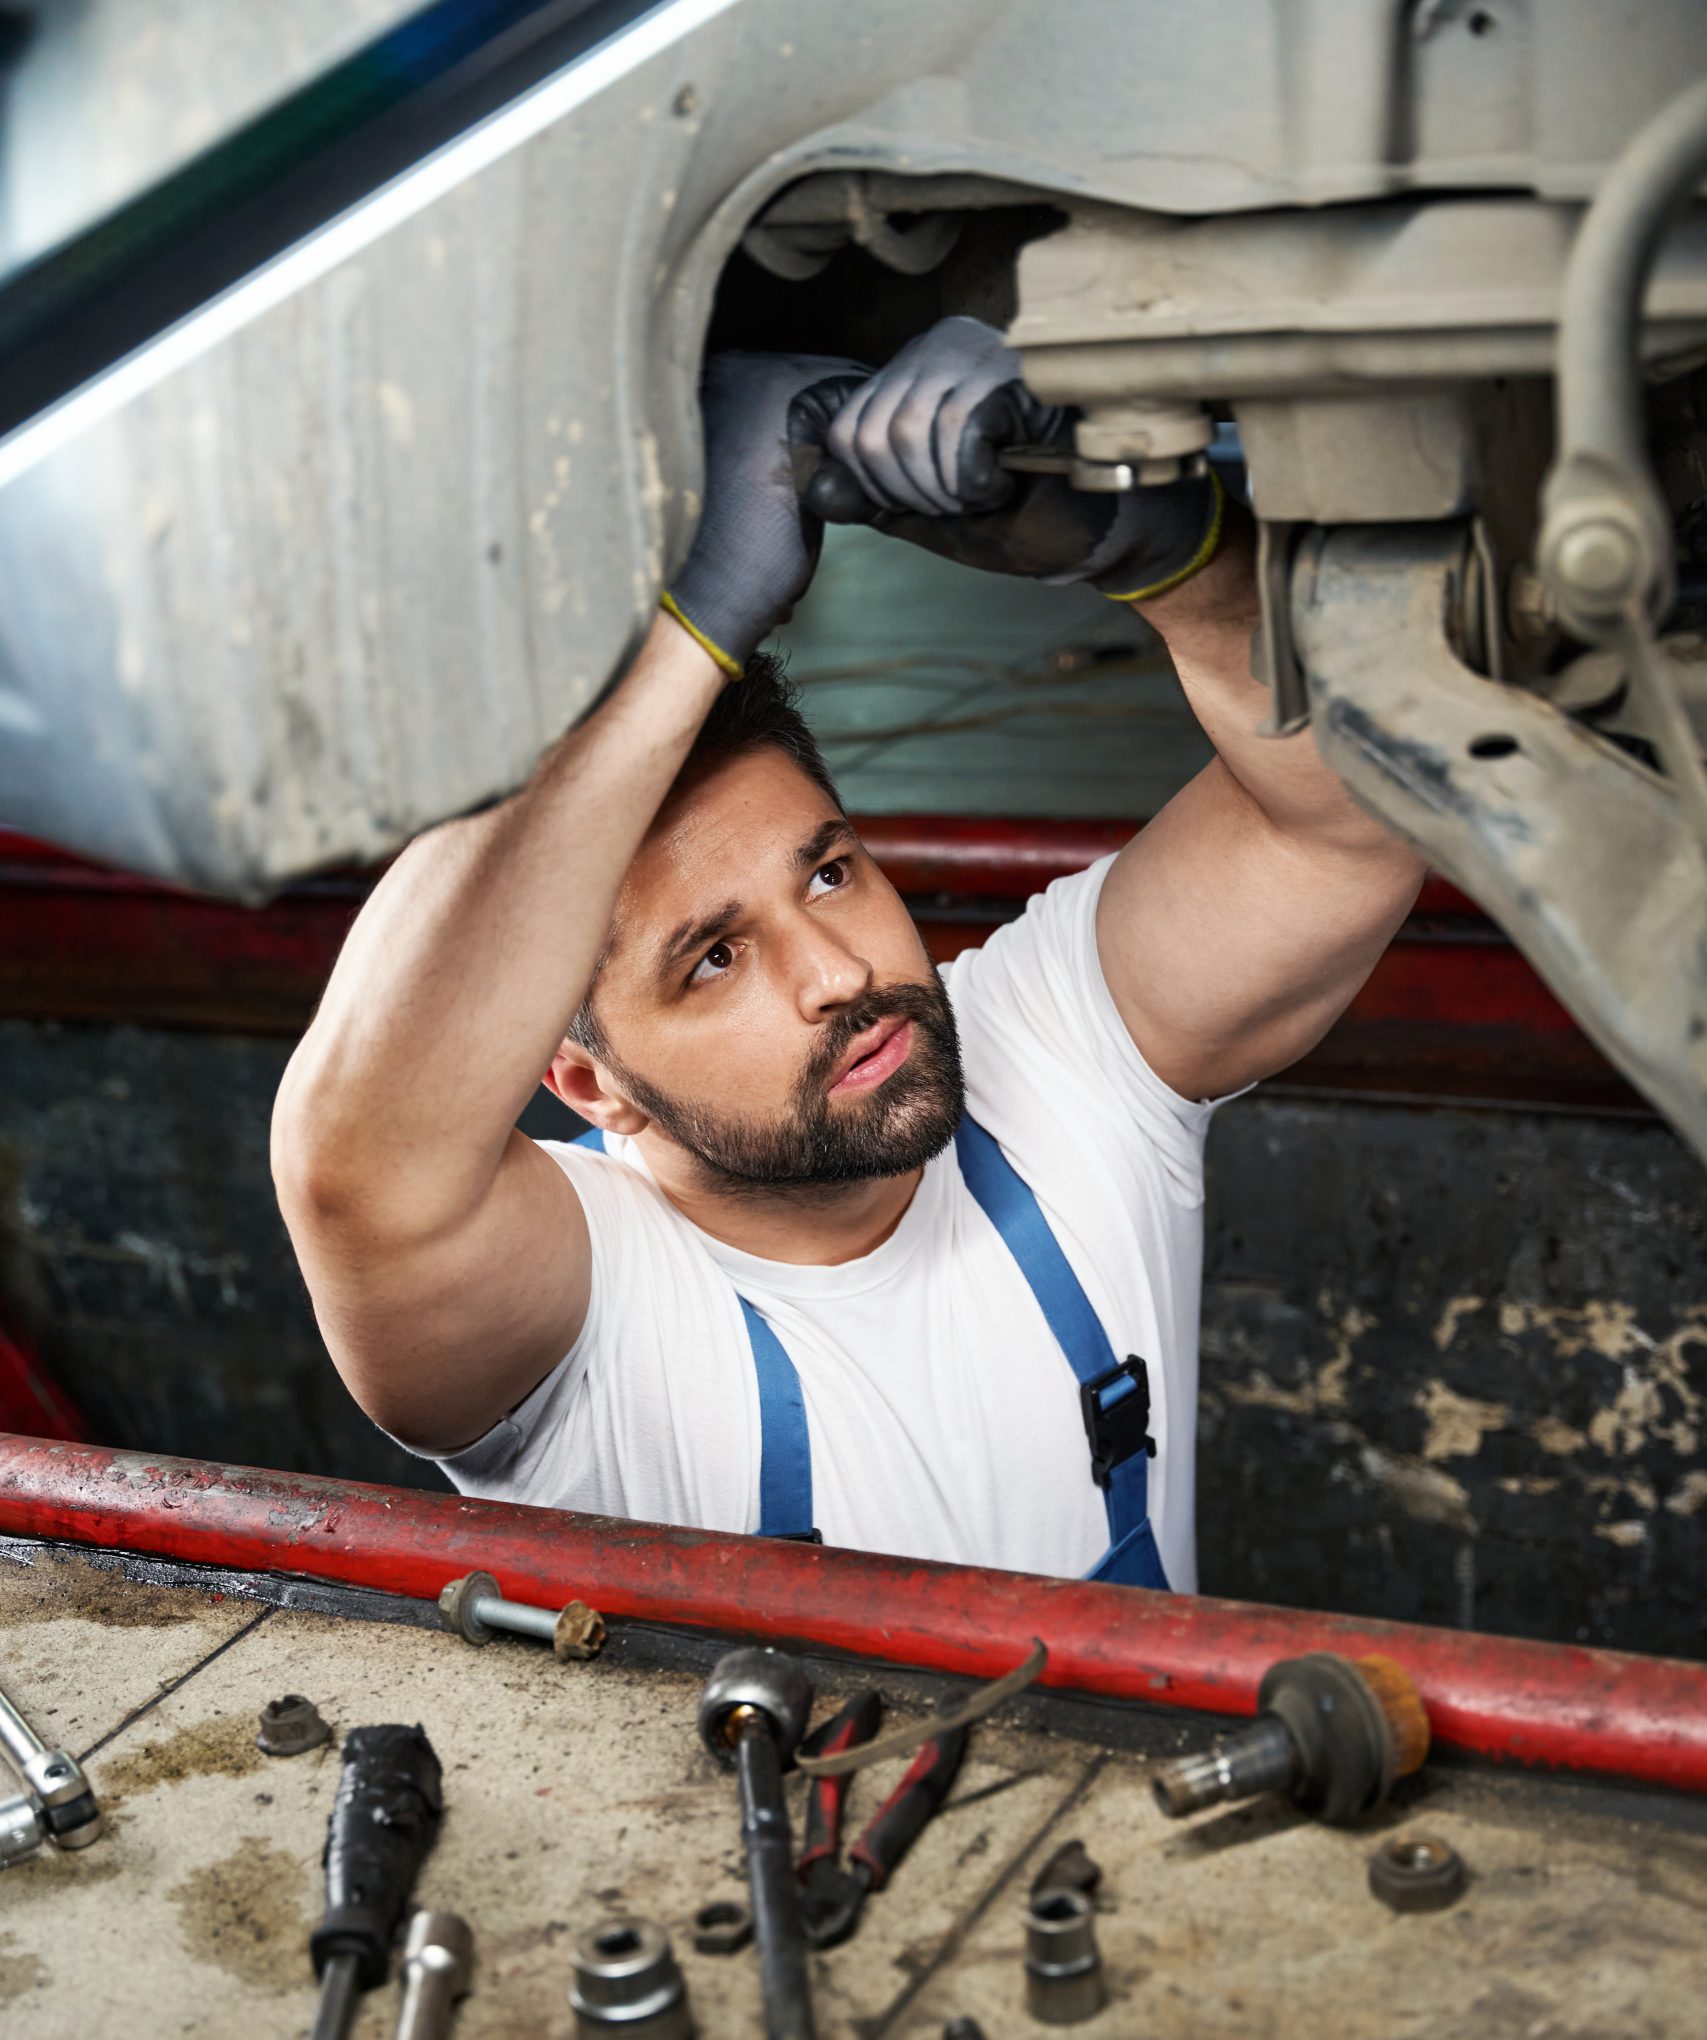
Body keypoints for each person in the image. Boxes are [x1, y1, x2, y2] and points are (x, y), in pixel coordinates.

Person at [272, 320, 1424, 1592]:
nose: (834, 971)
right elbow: (359, 1172)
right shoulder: (584, 1311)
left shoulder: (1055, 1050)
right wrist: (691, 622)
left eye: (829, 873)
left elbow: (1352, 813)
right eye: (712, 959)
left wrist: (1160, 552)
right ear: (589, 1084)